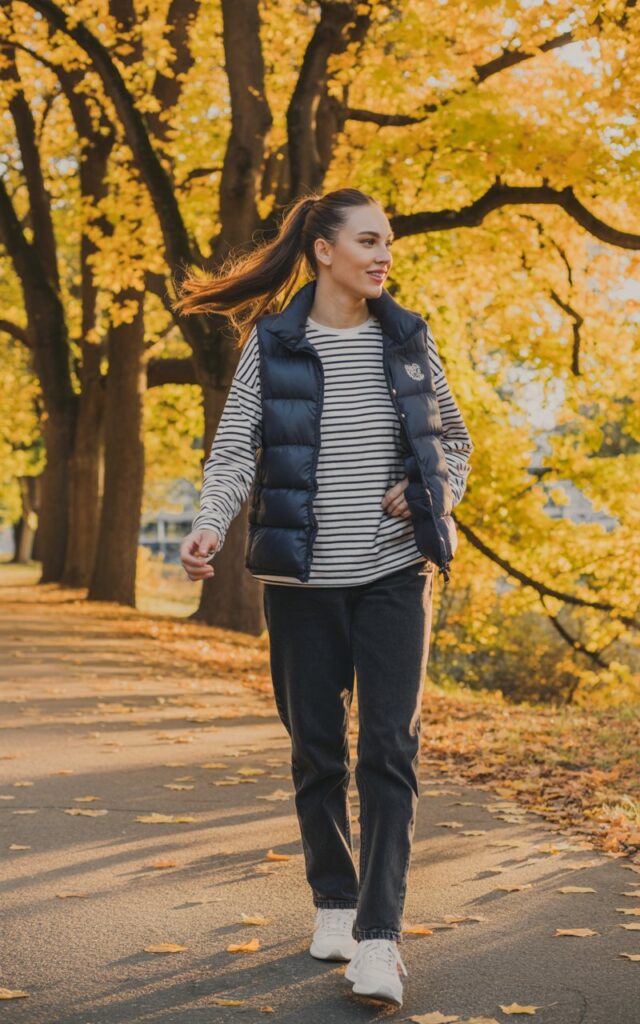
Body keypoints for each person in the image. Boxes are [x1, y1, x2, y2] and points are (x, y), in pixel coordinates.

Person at [174, 188, 473, 1007]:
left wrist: (434, 492)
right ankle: (335, 902)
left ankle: (379, 938)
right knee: (316, 751)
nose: (385, 255)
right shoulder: (271, 345)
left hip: (390, 577)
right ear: (324, 250)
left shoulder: (409, 339)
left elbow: (455, 439)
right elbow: (235, 450)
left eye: (389, 242)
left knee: (389, 749)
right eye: (370, 241)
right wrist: (207, 525)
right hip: (301, 583)